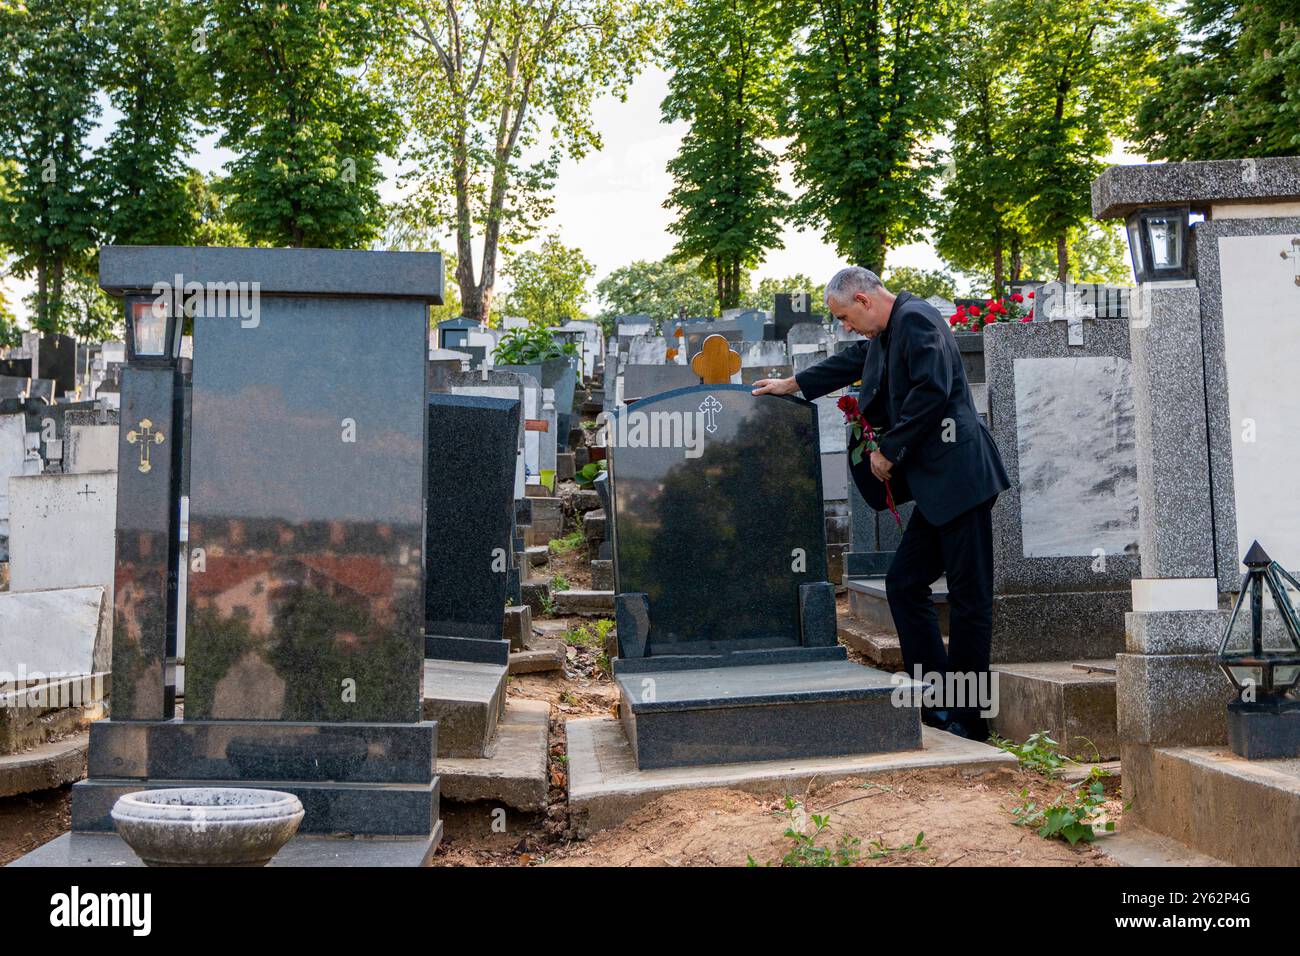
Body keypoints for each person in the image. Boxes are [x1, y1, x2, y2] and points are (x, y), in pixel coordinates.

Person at [752, 266, 1009, 738]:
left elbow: (933, 390)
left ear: (865, 301)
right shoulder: (891, 331)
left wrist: (890, 449)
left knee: (970, 600)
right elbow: (857, 360)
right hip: (940, 489)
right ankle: (937, 700)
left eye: (845, 315)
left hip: (962, 480)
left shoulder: (916, 319)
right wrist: (793, 385)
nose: (845, 326)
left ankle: (971, 721)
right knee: (904, 583)